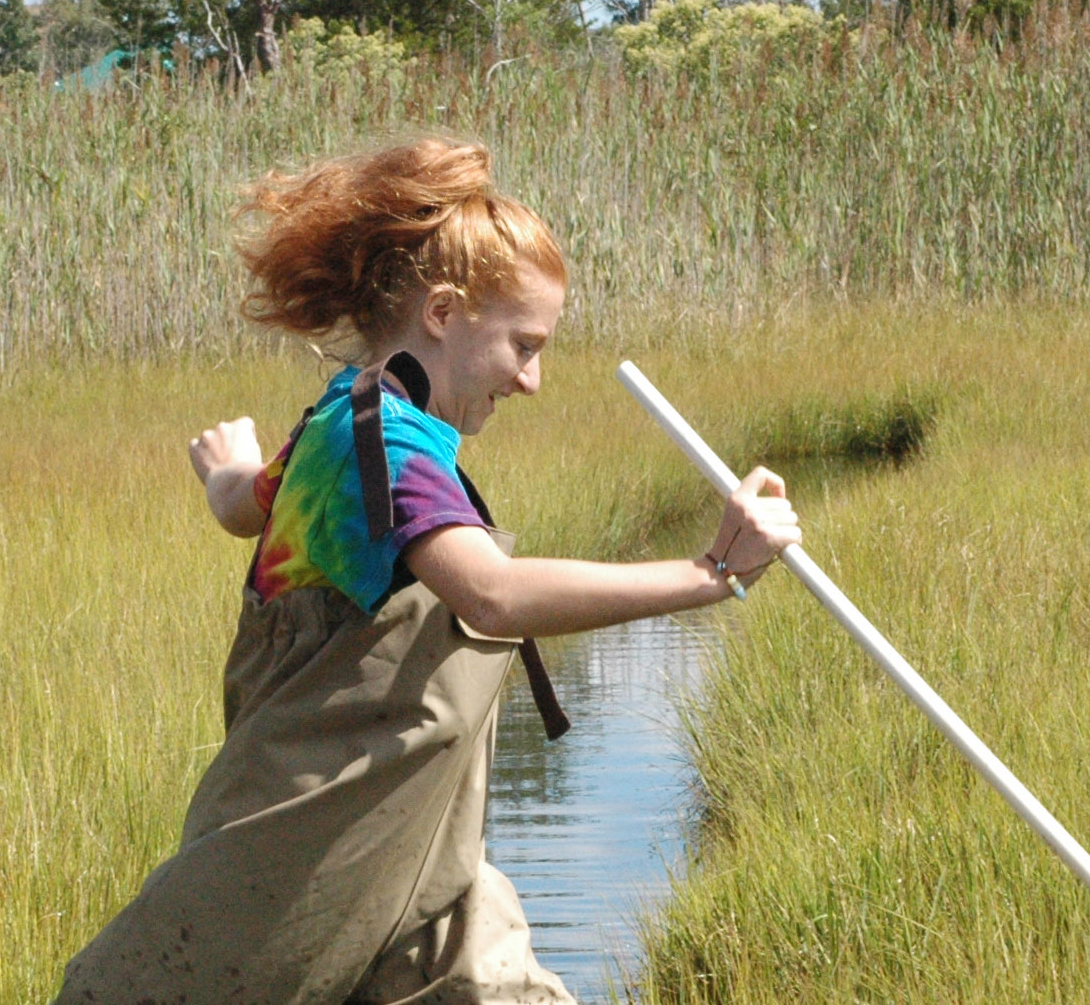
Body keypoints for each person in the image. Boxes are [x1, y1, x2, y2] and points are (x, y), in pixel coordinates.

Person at [51, 137, 800, 1005]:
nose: (534, 380)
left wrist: (226, 464)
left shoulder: (349, 414)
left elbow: (242, 506)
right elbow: (492, 591)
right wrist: (712, 572)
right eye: (523, 344)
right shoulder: (382, 442)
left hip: (423, 843)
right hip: (314, 839)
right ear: (443, 312)